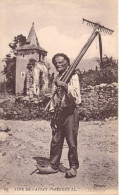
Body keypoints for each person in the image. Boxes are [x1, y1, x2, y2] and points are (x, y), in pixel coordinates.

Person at [37, 53, 81, 178]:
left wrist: (65, 86)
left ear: (67, 62)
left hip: (70, 111)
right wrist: (52, 113)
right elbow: (54, 97)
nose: (58, 64)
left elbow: (76, 98)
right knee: (56, 139)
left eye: (61, 62)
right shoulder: (57, 77)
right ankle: (53, 166)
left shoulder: (73, 76)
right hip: (58, 112)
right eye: (56, 63)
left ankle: (73, 167)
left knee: (71, 141)